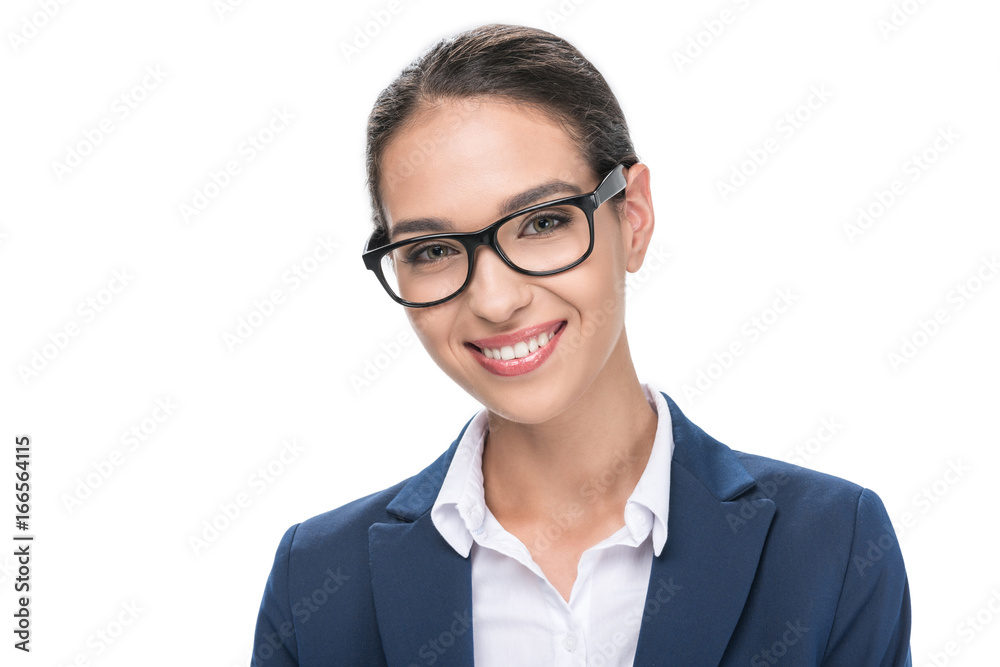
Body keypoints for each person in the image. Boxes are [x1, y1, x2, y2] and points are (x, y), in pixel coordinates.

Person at [251, 23, 912, 666]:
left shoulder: (830, 547)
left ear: (635, 216)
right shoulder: (317, 581)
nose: (495, 299)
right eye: (432, 249)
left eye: (541, 222)